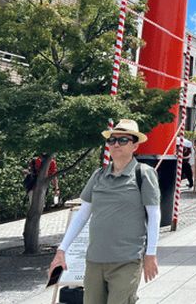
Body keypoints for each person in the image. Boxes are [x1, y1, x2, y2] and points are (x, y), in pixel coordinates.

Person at [48, 119, 160, 302]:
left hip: (127, 260)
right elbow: (83, 214)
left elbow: (154, 215)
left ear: (135, 145)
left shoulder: (144, 174)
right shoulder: (98, 175)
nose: (116, 144)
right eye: (112, 140)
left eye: (123, 140)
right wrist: (61, 250)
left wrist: (151, 254)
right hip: (95, 260)